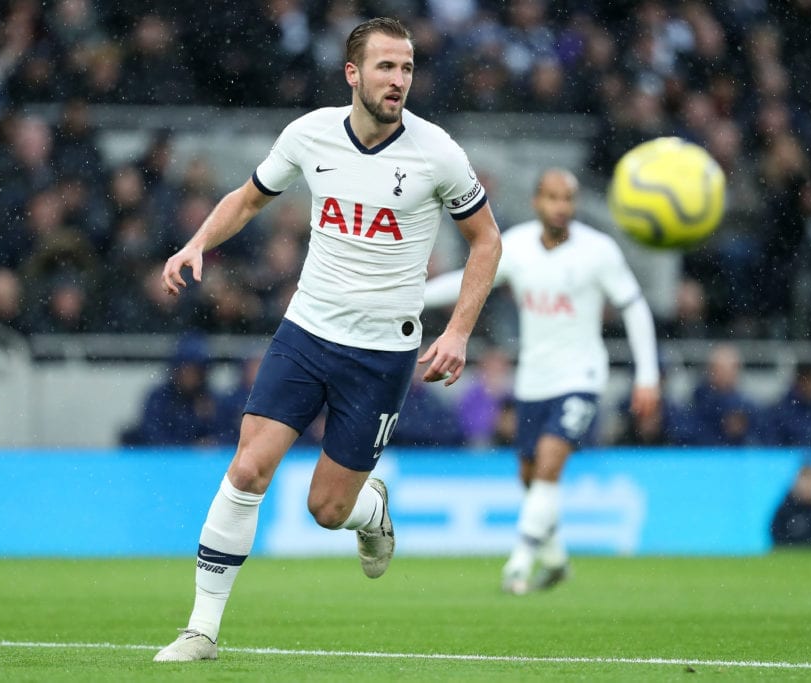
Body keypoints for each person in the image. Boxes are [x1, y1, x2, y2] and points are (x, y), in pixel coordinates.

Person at [153, 17, 502, 663]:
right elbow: (249, 198)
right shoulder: (309, 134)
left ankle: (370, 510)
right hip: (307, 332)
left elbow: (487, 240)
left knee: (326, 507)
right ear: (352, 73)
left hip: (382, 354)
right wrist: (196, 242)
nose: (398, 80)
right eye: (385, 67)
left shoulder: (437, 153)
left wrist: (457, 331)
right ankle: (201, 629)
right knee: (248, 468)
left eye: (406, 68)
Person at [424, 168, 659, 595]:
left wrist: (647, 375)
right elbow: (467, 282)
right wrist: (413, 296)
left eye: (567, 199)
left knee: (550, 463)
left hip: (581, 376)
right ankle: (555, 560)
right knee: (531, 477)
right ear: (536, 202)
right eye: (552, 198)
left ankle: (518, 564)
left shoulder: (598, 250)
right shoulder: (515, 247)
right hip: (533, 379)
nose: (560, 207)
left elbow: (634, 306)